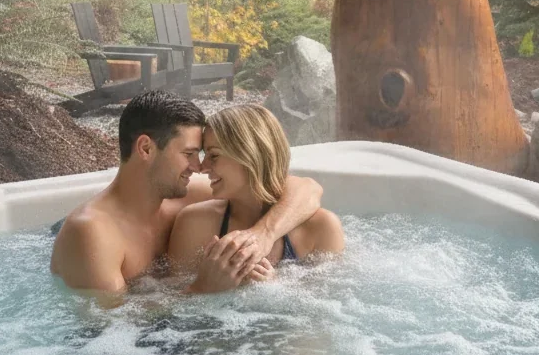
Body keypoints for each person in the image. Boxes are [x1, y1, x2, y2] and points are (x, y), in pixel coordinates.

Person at [50, 90, 322, 292]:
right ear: (146, 149)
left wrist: (263, 235)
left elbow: (307, 189)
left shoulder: (185, 196)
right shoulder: (90, 233)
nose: (199, 166)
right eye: (189, 154)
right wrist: (202, 288)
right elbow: (113, 331)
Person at [168, 104, 343, 292]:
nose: (202, 167)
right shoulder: (194, 223)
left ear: (251, 156)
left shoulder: (321, 228)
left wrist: (278, 290)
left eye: (214, 155)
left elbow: (328, 311)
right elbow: (168, 310)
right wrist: (203, 287)